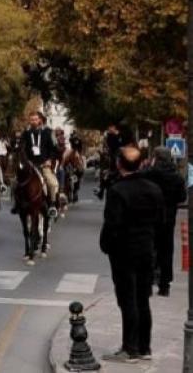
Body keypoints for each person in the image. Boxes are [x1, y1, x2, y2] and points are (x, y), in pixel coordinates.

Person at [100, 147, 164, 363]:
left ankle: (130, 348)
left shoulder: (117, 190)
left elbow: (112, 225)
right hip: (146, 249)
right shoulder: (154, 189)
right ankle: (145, 347)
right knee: (143, 299)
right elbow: (161, 222)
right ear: (141, 164)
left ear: (119, 164)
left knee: (128, 300)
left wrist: (106, 245)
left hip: (123, 253)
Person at [143, 147, 186, 296]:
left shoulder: (150, 174)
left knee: (149, 250)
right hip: (168, 219)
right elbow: (182, 197)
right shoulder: (177, 177)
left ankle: (147, 284)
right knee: (166, 251)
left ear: (156, 158)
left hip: (150, 217)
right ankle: (164, 286)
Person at [16, 111, 59, 217]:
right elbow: (22, 147)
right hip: (30, 164)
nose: (33, 121)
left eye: (35, 119)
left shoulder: (48, 132)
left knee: (53, 183)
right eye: (31, 119)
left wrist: (49, 160)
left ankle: (52, 205)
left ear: (39, 120)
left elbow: (55, 149)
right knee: (16, 183)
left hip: (44, 164)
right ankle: (17, 204)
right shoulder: (26, 133)